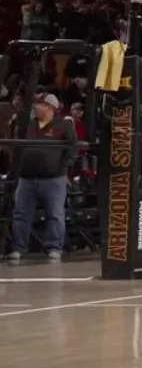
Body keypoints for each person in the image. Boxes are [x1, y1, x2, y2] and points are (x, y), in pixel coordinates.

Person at [7, 93, 76, 262]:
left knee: (55, 214)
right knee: (21, 214)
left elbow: (72, 147)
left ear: (50, 108)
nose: (36, 107)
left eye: (40, 104)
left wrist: (62, 166)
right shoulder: (27, 124)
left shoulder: (63, 125)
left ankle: (54, 247)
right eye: (36, 104)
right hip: (26, 177)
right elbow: (15, 143)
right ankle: (18, 247)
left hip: (53, 178)